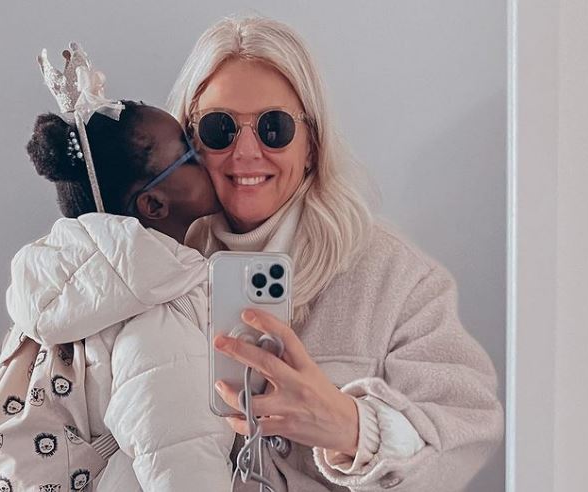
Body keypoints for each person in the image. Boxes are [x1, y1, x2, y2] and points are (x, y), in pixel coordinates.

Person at [168, 15, 505, 491]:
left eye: (274, 127)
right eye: (218, 128)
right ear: (189, 143)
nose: (245, 152)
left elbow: (468, 431)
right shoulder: (153, 272)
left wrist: (353, 429)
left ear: (312, 144)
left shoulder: (396, 279)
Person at [0, 94, 234, 490]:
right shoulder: (156, 308)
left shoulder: (75, 290)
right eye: (189, 153)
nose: (207, 153)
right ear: (154, 204)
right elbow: (183, 460)